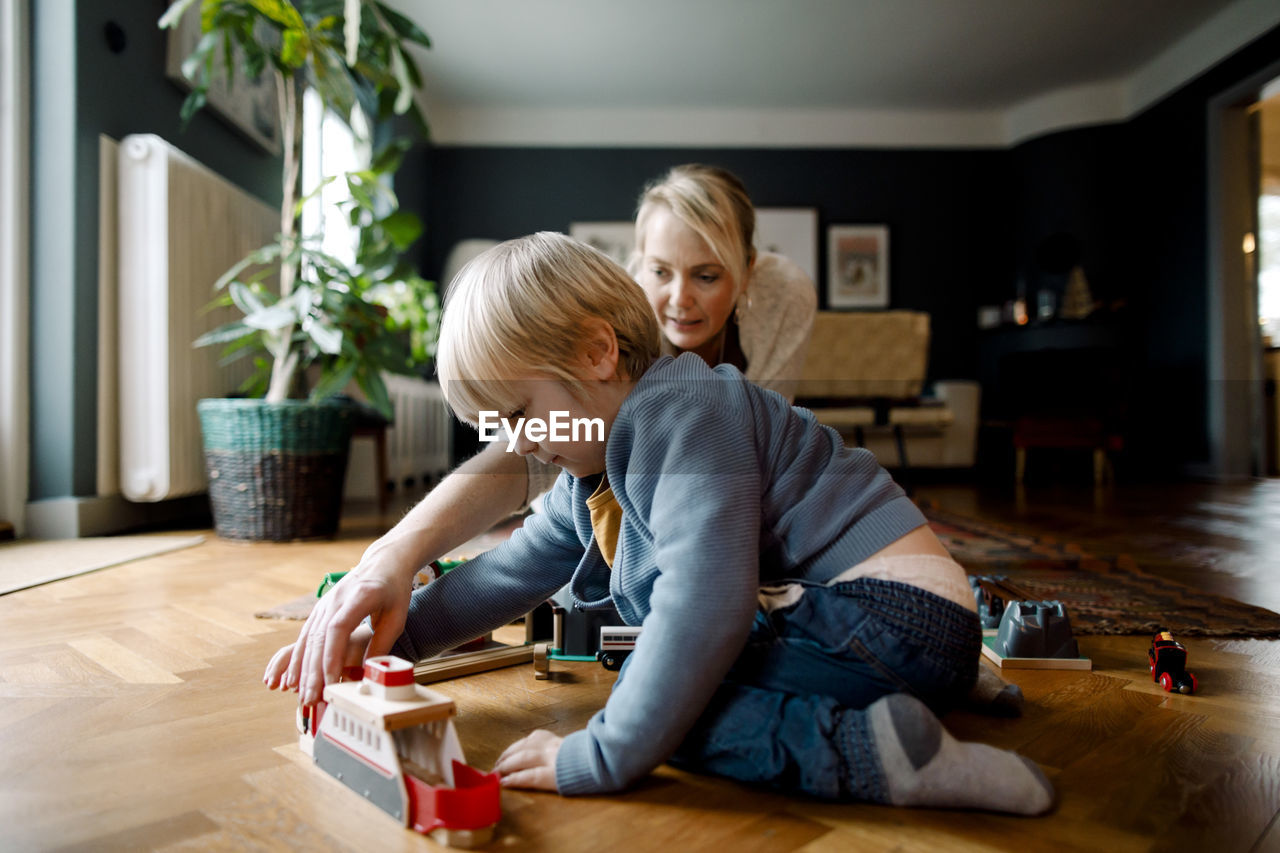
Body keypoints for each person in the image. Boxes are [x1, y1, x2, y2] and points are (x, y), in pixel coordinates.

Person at [267, 232, 1053, 813]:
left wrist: (604, 752)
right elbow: (503, 576)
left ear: (598, 351)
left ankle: (888, 753)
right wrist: (384, 648)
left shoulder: (686, 410)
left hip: (894, 618)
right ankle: (939, 680)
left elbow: (706, 605)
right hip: (895, 626)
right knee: (659, 673)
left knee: (674, 694)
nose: (518, 444)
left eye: (519, 415)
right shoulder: (594, 473)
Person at [272, 165, 815, 708]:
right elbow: (524, 511)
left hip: (771, 553)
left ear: (745, 272)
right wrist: (392, 564)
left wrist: (600, 749)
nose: (679, 298)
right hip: (620, 489)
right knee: (566, 571)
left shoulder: (753, 337)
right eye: (659, 272)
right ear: (637, 268)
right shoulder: (597, 372)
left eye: (706, 275)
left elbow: (727, 522)